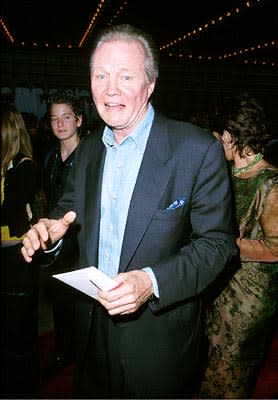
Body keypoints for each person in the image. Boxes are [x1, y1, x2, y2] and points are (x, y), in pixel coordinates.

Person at [21, 24, 237, 399]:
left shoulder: (196, 150)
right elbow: (67, 212)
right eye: (101, 75)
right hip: (91, 331)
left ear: (150, 84)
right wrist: (49, 233)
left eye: (125, 76)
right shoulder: (88, 151)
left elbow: (217, 245)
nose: (111, 89)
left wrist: (150, 282)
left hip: (158, 339)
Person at [199, 93, 278, 399]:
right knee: (211, 367)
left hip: (250, 300)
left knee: (231, 375)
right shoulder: (227, 175)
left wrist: (224, 244)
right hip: (221, 288)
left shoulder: (271, 183)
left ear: (229, 137)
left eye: (217, 139)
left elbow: (275, 248)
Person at [41, 91, 85, 371]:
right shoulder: (49, 157)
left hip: (81, 240)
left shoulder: (91, 156)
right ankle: (62, 350)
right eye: (55, 118)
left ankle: (79, 352)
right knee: (59, 297)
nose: (60, 123)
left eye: (66, 117)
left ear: (79, 120)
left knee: (80, 302)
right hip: (57, 243)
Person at [1, 104, 40, 398]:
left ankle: (23, 384)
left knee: (19, 321)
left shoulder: (24, 165)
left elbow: (11, 210)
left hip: (16, 251)